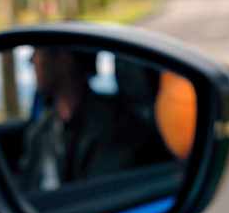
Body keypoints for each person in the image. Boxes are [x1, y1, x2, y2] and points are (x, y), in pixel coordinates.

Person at [15, 48, 167, 192]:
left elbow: (102, 195)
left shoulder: (115, 127)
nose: (31, 60)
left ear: (64, 59)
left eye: (38, 51)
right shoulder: (41, 129)